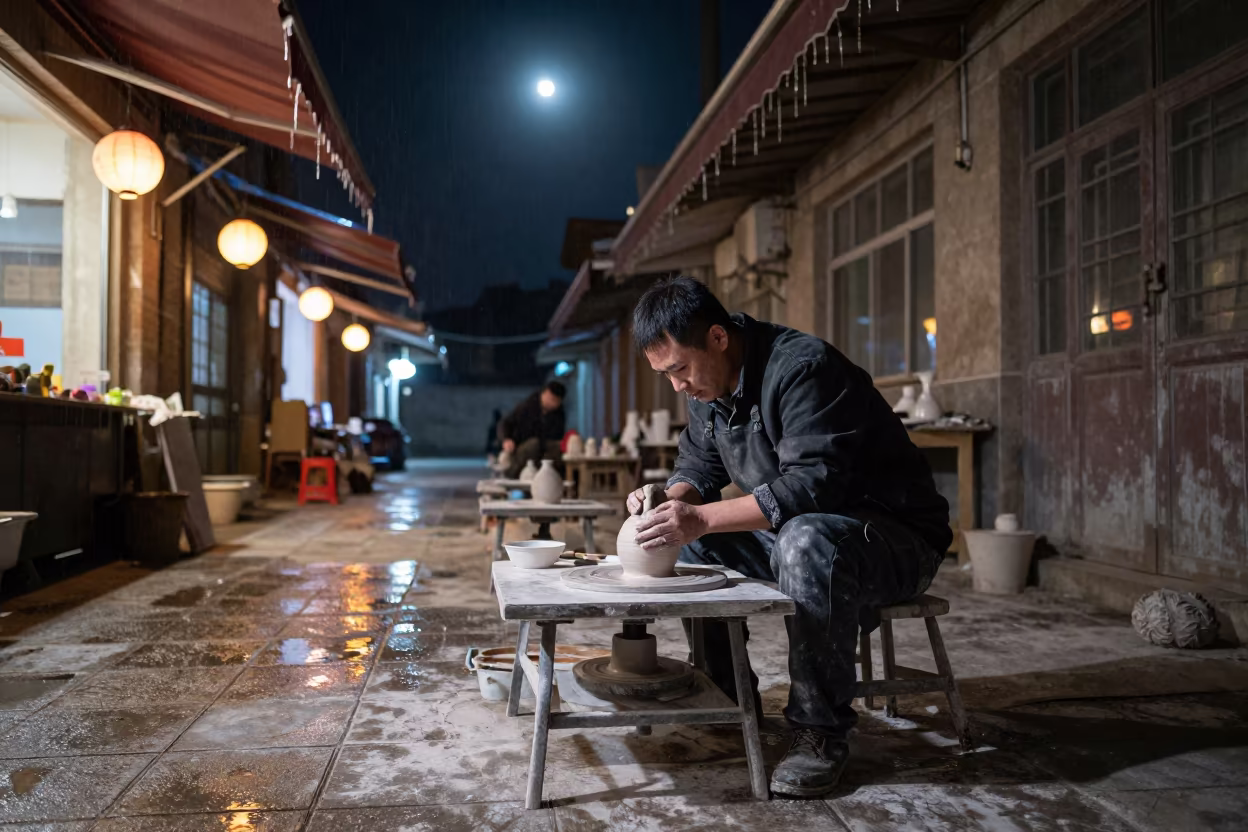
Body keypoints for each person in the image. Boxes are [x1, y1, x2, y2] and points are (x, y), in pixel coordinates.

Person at [625, 276, 950, 797]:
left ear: (717, 337)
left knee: (802, 540)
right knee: (685, 539)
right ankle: (727, 696)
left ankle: (819, 732)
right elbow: (700, 465)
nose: (677, 386)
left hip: (895, 537)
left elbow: (811, 486)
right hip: (802, 531)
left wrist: (701, 517)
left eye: (679, 369)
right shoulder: (708, 387)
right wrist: (667, 500)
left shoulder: (802, 368)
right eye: (666, 375)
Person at [499, 381, 566, 479]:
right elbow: (506, 423)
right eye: (551, 399)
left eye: (556, 401)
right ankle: (511, 475)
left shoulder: (559, 414)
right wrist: (506, 439)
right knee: (534, 445)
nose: (552, 403)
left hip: (545, 449)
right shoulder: (527, 406)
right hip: (523, 447)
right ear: (544, 393)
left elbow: (558, 436)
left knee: (559, 449)